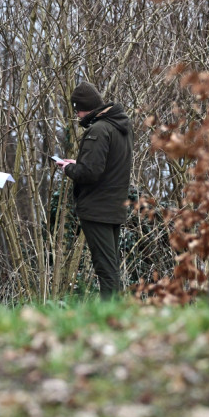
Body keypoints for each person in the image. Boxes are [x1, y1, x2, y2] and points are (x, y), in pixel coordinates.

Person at [55, 81, 133, 298]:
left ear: (82, 107)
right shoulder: (121, 127)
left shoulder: (98, 130)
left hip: (97, 210)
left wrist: (69, 168)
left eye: (77, 110)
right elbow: (107, 166)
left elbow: (89, 173)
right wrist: (78, 162)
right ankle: (115, 315)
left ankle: (110, 318)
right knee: (111, 267)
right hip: (115, 208)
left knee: (106, 270)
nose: (78, 116)